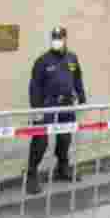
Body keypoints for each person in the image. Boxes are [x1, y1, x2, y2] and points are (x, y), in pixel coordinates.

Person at [26, 27, 87, 195]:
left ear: (65, 38)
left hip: (66, 104)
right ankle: (31, 174)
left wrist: (81, 97)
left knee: (65, 137)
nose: (57, 40)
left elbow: (77, 78)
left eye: (59, 37)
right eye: (54, 37)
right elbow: (35, 86)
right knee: (41, 140)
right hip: (47, 105)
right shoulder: (43, 61)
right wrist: (36, 108)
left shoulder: (72, 58)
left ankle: (63, 167)